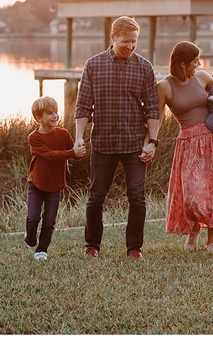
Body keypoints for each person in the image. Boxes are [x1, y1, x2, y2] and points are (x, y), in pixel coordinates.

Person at [75, 16, 160, 260]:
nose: (130, 46)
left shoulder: (144, 67)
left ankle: (134, 248)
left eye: (134, 41)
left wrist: (152, 142)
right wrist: (79, 137)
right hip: (102, 143)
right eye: (126, 41)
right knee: (96, 197)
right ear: (113, 38)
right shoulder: (93, 65)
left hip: (135, 145)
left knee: (137, 196)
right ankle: (92, 245)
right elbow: (83, 106)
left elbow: (152, 108)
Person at [157, 41, 213, 253]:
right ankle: (194, 232)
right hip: (188, 143)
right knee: (192, 195)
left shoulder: (202, 77)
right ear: (182, 64)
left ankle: (212, 241)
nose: (199, 64)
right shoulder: (164, 86)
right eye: (194, 61)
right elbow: (156, 118)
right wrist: (151, 142)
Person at [25, 96, 85, 261]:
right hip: (36, 185)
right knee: (33, 217)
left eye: (56, 112)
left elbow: (74, 154)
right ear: (39, 118)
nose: (55, 116)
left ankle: (41, 250)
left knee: (49, 221)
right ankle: (30, 238)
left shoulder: (63, 134)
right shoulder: (34, 137)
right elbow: (50, 155)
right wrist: (72, 152)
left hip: (55, 187)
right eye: (50, 113)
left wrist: (79, 150)